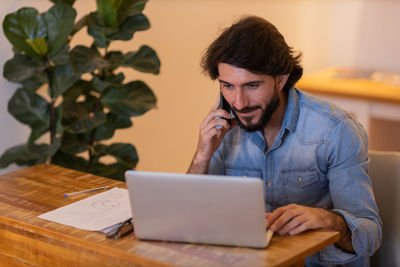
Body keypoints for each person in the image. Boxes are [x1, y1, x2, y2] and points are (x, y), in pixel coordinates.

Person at [187, 16, 381, 266]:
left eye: (252, 85)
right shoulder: (222, 130)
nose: (239, 103)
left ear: (281, 79)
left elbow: (370, 235)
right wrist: (202, 154)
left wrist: (331, 221)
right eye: (227, 86)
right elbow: (189, 217)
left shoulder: (336, 130)